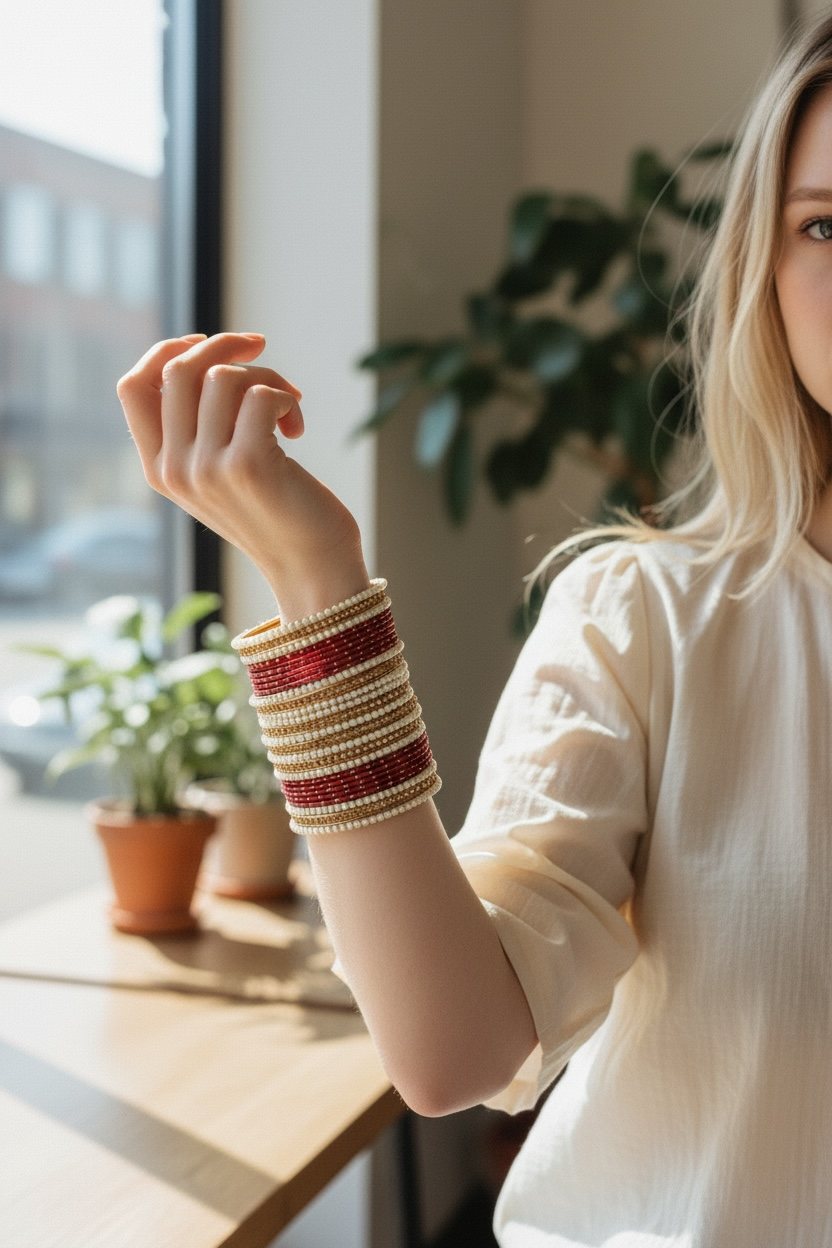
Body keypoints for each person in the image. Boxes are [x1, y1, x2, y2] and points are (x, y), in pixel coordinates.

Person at [118, 13, 832, 1246]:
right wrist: (315, 583)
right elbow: (454, 1050)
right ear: (763, 276)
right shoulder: (649, 619)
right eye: (826, 226)